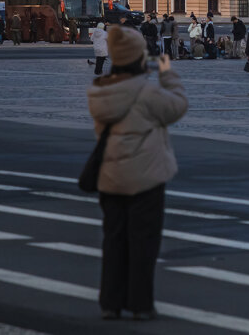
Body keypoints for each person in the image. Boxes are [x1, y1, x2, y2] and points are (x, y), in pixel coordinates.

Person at [87, 25, 188, 321]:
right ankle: (141, 305)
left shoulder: (100, 91)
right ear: (138, 59)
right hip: (146, 178)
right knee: (143, 244)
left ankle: (110, 303)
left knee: (114, 241)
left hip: (110, 176)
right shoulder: (146, 92)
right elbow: (178, 106)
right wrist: (167, 73)